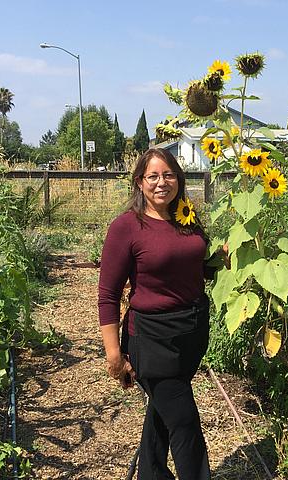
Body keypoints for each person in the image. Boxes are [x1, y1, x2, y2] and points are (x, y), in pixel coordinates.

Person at [98, 148, 214, 480]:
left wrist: (225, 259)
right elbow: (108, 294)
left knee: (162, 416)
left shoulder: (186, 218)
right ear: (139, 182)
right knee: (184, 422)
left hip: (191, 334)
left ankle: (150, 473)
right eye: (153, 176)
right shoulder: (127, 227)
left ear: (178, 178)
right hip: (151, 340)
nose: (162, 182)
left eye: (169, 175)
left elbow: (194, 268)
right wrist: (113, 355)